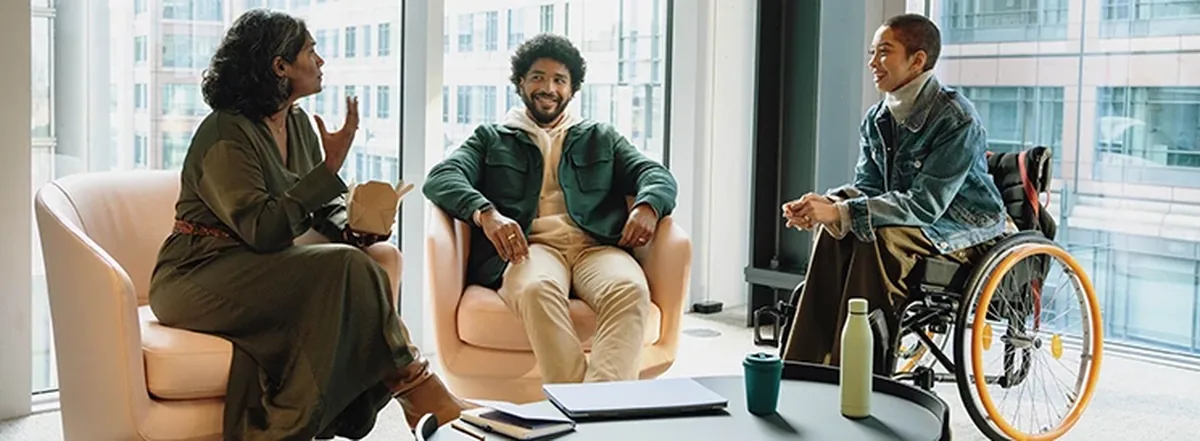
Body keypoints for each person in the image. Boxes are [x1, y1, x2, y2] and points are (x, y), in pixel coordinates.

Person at [147, 9, 471, 440]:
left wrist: (353, 229)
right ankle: (416, 388)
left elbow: (318, 207)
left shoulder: (296, 122)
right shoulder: (225, 132)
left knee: (368, 258)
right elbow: (262, 229)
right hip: (196, 274)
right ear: (280, 66)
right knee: (346, 267)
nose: (320, 61)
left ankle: (411, 394)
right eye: (310, 51)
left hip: (259, 267)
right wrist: (330, 166)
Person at [423, 34, 678, 384]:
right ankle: (587, 412)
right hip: (529, 249)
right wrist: (487, 214)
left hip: (596, 247)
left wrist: (649, 205)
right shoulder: (491, 138)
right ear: (520, 83)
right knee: (535, 290)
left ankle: (594, 414)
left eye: (560, 80)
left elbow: (654, 174)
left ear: (572, 90)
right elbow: (441, 177)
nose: (549, 88)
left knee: (630, 290)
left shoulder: (601, 136)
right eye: (538, 77)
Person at [779, 13, 1008, 375]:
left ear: (917, 60)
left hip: (961, 229)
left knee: (873, 237)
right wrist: (827, 205)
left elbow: (926, 204)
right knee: (838, 231)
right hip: (909, 222)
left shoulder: (956, 118)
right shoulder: (877, 118)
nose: (872, 62)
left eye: (884, 52)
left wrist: (843, 214)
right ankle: (802, 370)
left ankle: (855, 377)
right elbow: (869, 188)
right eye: (872, 52)